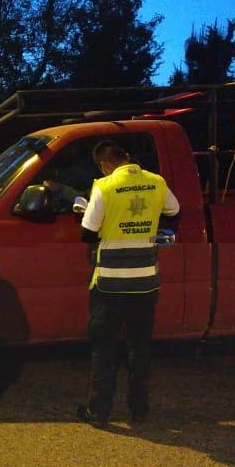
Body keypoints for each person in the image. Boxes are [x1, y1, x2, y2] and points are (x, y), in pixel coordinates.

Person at [76, 140, 180, 425]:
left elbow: (87, 233)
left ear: (104, 165)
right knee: (139, 347)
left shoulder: (105, 186)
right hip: (145, 281)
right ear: (127, 157)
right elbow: (174, 211)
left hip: (110, 284)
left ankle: (98, 411)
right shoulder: (156, 182)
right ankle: (139, 409)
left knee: (104, 348)